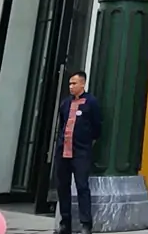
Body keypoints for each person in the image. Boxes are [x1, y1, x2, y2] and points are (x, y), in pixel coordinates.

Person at [52, 70, 103, 234]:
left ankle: (86, 224)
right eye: (70, 84)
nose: (71, 87)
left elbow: (97, 127)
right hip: (63, 151)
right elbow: (62, 124)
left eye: (74, 83)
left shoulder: (91, 102)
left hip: (81, 152)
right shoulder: (65, 103)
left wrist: (87, 143)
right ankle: (65, 222)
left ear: (83, 84)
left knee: (82, 186)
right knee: (63, 187)